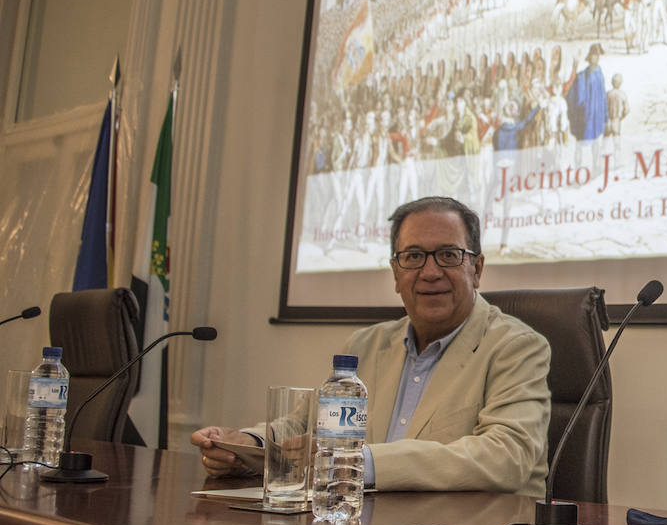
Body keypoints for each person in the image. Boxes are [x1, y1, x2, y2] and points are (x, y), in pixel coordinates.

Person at [192, 196, 551, 494]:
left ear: (477, 268)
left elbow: (508, 456)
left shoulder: (518, 347)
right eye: (413, 257)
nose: (429, 272)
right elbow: (305, 426)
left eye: (448, 255)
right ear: (396, 274)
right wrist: (245, 445)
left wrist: (361, 463)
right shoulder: (366, 344)